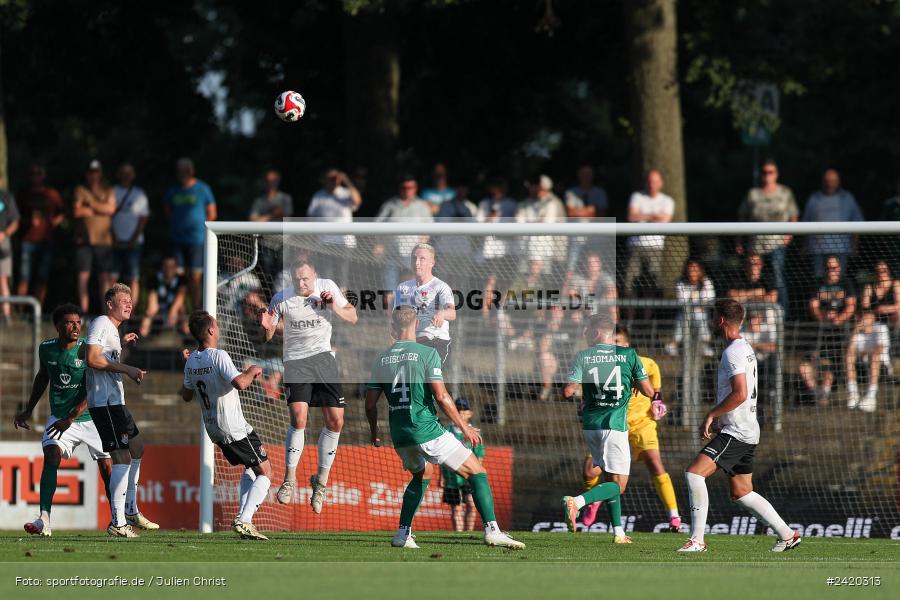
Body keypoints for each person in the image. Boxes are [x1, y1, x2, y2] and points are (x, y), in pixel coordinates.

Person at [364, 305, 524, 549]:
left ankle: (403, 534)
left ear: (393, 327)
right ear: (416, 325)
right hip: (426, 429)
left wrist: (375, 433)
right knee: (477, 471)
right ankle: (492, 530)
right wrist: (464, 427)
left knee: (422, 475)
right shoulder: (427, 353)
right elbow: (441, 396)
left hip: (400, 433)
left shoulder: (380, 358)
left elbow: (370, 403)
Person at [679, 298, 802, 553]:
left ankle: (697, 540)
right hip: (745, 428)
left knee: (694, 473)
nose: (712, 322)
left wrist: (712, 415)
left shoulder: (733, 351)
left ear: (721, 320)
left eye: (714, 318)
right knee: (742, 492)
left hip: (737, 431)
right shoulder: (744, 347)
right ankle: (787, 535)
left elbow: (740, 393)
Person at [259, 257, 357, 512]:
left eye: (306, 278)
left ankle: (321, 483)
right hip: (296, 361)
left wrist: (333, 305)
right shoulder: (281, 298)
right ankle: (290, 479)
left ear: (315, 275)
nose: (302, 283)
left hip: (324, 359)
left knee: (336, 421)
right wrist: (267, 327)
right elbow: (268, 335)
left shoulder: (328, 287)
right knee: (299, 417)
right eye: (297, 279)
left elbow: (353, 317)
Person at [13, 304, 113, 537]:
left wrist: (72, 417)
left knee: (108, 470)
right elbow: (42, 376)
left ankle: (117, 520)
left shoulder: (87, 350)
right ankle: (44, 519)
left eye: (78, 322)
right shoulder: (46, 349)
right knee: (51, 455)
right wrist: (29, 410)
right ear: (57, 326)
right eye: (69, 322)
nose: (76, 326)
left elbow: (95, 388)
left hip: (91, 418)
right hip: (60, 418)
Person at [560, 312, 656, 544]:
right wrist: (632, 380)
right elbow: (650, 392)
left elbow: (567, 391)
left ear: (596, 332)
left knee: (609, 477)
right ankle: (579, 502)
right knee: (617, 486)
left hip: (591, 425)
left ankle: (619, 533)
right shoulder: (629, 354)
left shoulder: (583, 356)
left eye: (587, 330)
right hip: (615, 425)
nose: (584, 334)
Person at [579, 325, 681, 532]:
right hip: (612, 424)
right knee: (590, 471)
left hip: (642, 424)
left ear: (626, 345)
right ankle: (593, 502)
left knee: (655, 463)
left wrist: (657, 401)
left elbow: (654, 381)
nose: (614, 345)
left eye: (618, 342)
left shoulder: (645, 363)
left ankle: (674, 516)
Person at [181, 311, 270, 540]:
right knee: (266, 472)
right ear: (211, 330)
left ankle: (243, 519)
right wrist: (252, 370)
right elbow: (240, 383)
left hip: (213, 429)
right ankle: (245, 519)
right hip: (232, 426)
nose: (219, 329)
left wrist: (189, 366)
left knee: (250, 467)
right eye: (217, 326)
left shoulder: (191, 360)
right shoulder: (219, 355)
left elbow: (187, 396)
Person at [84, 283, 154, 537]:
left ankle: (131, 508)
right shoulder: (102, 322)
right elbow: (91, 358)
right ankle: (118, 522)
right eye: (123, 300)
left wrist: (119, 347)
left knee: (137, 447)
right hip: (104, 403)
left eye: (131, 300)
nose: (129, 303)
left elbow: (103, 357)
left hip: (115, 402)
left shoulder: (111, 330)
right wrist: (127, 369)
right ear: (109, 304)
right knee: (122, 458)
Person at [737, 159, 798, 313]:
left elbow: (794, 215)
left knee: (777, 278)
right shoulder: (752, 194)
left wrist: (789, 234)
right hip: (755, 246)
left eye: (770, 172)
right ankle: (754, 315)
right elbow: (742, 217)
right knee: (754, 279)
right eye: (764, 172)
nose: (767, 175)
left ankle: (781, 314)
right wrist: (739, 240)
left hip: (777, 244)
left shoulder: (785, 192)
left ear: (776, 174)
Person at [164, 157, 217, 309]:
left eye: (186, 170)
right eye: (180, 170)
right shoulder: (173, 190)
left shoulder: (203, 189)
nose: (183, 173)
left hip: (197, 240)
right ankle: (179, 314)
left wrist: (202, 230)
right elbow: (167, 211)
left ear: (192, 171)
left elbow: (212, 213)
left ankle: (196, 311)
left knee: (195, 277)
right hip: (178, 240)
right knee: (178, 278)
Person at [394, 244, 456, 365]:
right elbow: (396, 318)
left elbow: (452, 313)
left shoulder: (441, 287)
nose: (417, 262)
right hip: (411, 342)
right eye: (414, 258)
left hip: (435, 342)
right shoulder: (403, 287)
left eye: (422, 259)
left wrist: (442, 313)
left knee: (427, 379)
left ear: (432, 262)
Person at [374, 175, 433, 292]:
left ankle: (409, 311)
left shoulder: (422, 206)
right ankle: (390, 311)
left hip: (413, 256)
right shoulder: (389, 205)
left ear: (415, 188)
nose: (407, 190)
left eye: (410, 187)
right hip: (390, 254)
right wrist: (378, 244)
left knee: (410, 290)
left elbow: (429, 229)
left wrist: (422, 247)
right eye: (404, 187)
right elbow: (377, 226)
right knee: (389, 289)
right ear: (399, 188)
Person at [16, 164, 65, 305]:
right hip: (28, 240)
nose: (36, 177)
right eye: (33, 174)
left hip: (45, 240)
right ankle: (21, 313)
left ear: (43, 176)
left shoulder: (51, 193)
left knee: (42, 278)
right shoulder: (23, 194)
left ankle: (37, 312)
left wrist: (52, 223)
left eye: (39, 174)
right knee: (24, 277)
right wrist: (27, 222)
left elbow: (62, 211)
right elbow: (15, 216)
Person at [802, 169, 864, 278]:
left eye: (833, 180)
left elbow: (857, 222)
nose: (830, 183)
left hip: (842, 248)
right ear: (823, 182)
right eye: (827, 180)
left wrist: (855, 246)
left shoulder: (848, 197)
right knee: (818, 280)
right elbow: (805, 223)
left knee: (840, 279)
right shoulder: (814, 198)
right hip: (817, 249)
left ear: (838, 181)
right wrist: (804, 246)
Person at [73, 160, 116, 313]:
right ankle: (83, 314)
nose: (94, 175)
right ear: (87, 174)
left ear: (100, 174)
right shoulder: (80, 190)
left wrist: (89, 204)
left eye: (96, 172)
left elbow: (111, 209)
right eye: (91, 172)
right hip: (84, 242)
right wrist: (100, 209)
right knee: (83, 278)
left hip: (104, 242)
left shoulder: (108, 190)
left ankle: (106, 314)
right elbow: (77, 211)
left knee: (104, 279)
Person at [307, 168, 362, 285]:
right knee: (326, 277)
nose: (333, 181)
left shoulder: (346, 193)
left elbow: (357, 201)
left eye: (336, 178)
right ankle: (327, 302)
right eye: (331, 178)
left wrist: (346, 180)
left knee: (343, 278)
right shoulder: (318, 196)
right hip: (324, 243)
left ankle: (342, 302)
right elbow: (310, 219)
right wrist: (311, 242)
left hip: (344, 243)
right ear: (324, 179)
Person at [624, 170, 674, 298]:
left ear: (661, 183)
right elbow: (631, 216)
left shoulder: (667, 201)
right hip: (635, 246)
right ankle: (630, 318)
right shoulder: (637, 196)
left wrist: (642, 216)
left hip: (655, 247)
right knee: (629, 283)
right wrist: (653, 215)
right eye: (650, 181)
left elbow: (665, 220)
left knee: (651, 284)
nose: (652, 184)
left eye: (655, 181)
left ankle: (649, 317)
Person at [440, 397, 485, 532]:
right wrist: (441, 477)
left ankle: (468, 531)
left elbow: (479, 455)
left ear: (470, 413)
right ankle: (458, 533)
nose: (461, 412)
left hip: (468, 475)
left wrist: (477, 473)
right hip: (452, 477)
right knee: (456, 507)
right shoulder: (446, 431)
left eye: (464, 409)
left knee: (471, 503)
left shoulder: (474, 431)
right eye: (458, 409)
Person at [110, 163, 150, 301]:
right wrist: (113, 237)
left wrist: (134, 238)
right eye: (123, 173)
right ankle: (112, 310)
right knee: (112, 277)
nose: (126, 176)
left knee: (133, 278)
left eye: (129, 173)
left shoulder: (139, 194)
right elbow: (107, 217)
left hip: (135, 242)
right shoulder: (112, 191)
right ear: (118, 175)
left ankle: (130, 313)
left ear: (133, 176)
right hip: (115, 241)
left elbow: (143, 218)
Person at [516, 174, 567, 268]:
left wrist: (531, 224)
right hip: (527, 247)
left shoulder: (554, 202)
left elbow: (548, 223)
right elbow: (519, 220)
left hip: (554, 248)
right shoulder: (525, 203)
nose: (532, 189)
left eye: (536, 186)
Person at [564, 165, 609, 272]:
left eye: (588, 174)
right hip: (576, 237)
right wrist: (590, 210)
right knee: (572, 267)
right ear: (578, 175)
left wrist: (578, 211)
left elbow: (600, 214)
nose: (586, 177)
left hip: (595, 236)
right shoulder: (570, 192)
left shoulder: (600, 193)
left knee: (594, 266)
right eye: (583, 174)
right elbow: (570, 213)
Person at [668, 259, 716, 357]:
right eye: (690, 269)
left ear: (700, 270)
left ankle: (704, 345)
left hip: (702, 313)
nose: (692, 272)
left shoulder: (706, 282)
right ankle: (674, 344)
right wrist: (697, 303)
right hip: (685, 313)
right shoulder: (681, 282)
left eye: (695, 269)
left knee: (699, 316)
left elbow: (710, 298)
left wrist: (695, 302)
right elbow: (682, 300)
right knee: (685, 316)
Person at [845, 310, 888, 413]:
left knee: (875, 357)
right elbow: (850, 350)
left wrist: (864, 353)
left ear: (873, 317)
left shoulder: (881, 328)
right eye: (862, 317)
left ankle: (871, 397)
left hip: (882, 369)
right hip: (862, 367)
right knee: (849, 356)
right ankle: (853, 393)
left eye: (866, 316)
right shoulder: (857, 332)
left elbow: (880, 349)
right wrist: (856, 330)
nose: (863, 319)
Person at [862, 260, 900, 330]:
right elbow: (865, 307)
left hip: (892, 317)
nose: (881, 274)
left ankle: (896, 339)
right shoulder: (869, 286)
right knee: (864, 319)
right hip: (874, 316)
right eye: (878, 271)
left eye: (883, 271)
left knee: (899, 314)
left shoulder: (896, 284)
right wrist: (875, 310)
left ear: (888, 271)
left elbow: (899, 305)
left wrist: (886, 308)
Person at [0, 188, 19, 320]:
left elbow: (15, 221)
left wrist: (4, 234)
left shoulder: (6, 197)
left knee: (3, 280)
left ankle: (6, 317)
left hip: (3, 242)